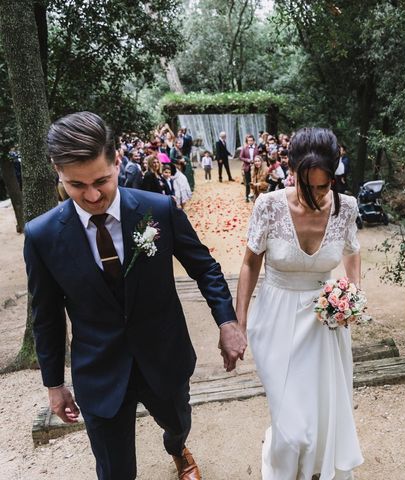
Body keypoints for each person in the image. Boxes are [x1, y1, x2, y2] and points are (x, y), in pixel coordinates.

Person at [23, 111, 247, 480]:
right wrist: (54, 384)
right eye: (77, 186)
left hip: (164, 356)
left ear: (117, 160)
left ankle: (176, 448)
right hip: (99, 371)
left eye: (101, 181)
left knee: (178, 422)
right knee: (113, 471)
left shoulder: (157, 209)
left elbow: (204, 267)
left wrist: (227, 321)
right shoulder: (42, 235)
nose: (92, 195)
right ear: (57, 171)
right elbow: (45, 316)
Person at [236, 127, 364, 479]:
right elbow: (249, 263)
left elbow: (353, 252)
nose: (315, 196)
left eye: (323, 187)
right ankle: (279, 464)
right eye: (306, 186)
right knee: (291, 425)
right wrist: (239, 323)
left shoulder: (346, 208)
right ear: (291, 172)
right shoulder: (269, 206)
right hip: (275, 318)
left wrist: (352, 294)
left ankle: (315, 470)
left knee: (320, 413)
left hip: (325, 324)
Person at [239, 134, 257, 202]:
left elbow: (259, 156)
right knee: (247, 183)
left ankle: (256, 196)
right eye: (249, 141)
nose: (250, 142)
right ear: (247, 141)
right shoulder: (244, 148)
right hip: (247, 167)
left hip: (256, 167)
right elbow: (240, 157)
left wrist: (255, 161)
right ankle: (247, 196)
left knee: (255, 181)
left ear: (253, 141)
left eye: (251, 140)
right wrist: (248, 160)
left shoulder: (256, 148)